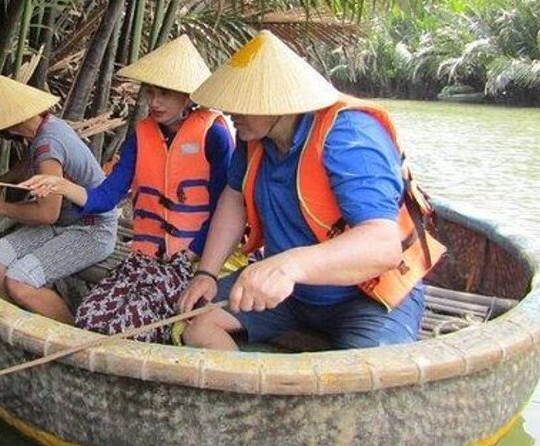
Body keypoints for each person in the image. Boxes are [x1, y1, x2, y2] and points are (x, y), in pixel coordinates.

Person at [177, 30, 446, 351]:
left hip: (368, 296)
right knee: (196, 327)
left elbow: (382, 244)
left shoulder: (350, 135)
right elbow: (234, 198)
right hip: (293, 294)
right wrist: (207, 272)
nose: (230, 112)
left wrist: (289, 265)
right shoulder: (252, 139)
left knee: (367, 379)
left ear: (278, 102)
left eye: (241, 102)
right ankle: (250, 397)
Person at [22, 35, 235, 343]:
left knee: (134, 325)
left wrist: (194, 253)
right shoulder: (142, 133)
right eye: (151, 92)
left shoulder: (214, 134)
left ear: (189, 96)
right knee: (90, 315)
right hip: (144, 257)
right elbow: (107, 196)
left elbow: (224, 205)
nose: (155, 102)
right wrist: (62, 185)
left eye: (165, 93)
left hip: (192, 260)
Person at [0, 74, 117, 325]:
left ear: (10, 125)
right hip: (65, 223)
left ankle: (70, 337)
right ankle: (12, 326)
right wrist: (6, 178)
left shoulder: (48, 145)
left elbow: (47, 214)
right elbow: (32, 161)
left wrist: (0, 207)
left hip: (91, 230)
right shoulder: (47, 126)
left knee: (18, 281)